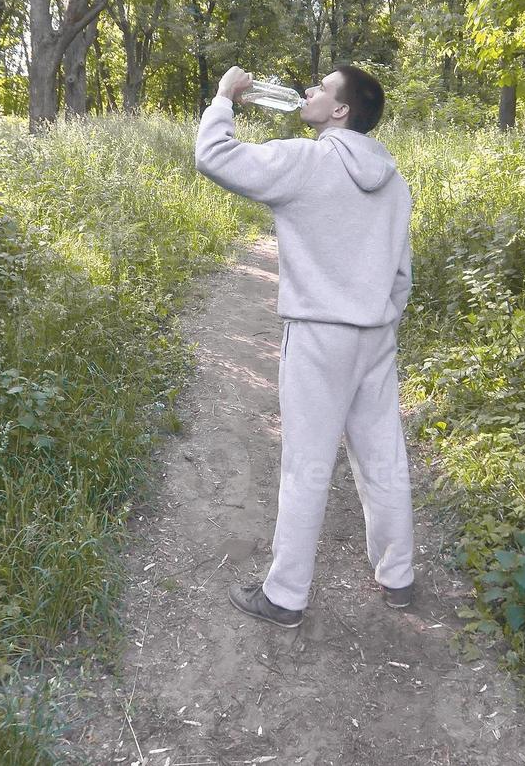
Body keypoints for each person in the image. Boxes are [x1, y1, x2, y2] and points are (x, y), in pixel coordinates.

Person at [194, 63, 415, 629]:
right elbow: (400, 273)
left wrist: (224, 97)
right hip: (375, 333)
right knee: (382, 456)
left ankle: (286, 596)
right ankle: (399, 578)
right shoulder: (394, 178)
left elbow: (215, 157)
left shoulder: (305, 158)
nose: (309, 92)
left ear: (340, 111)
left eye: (322, 88)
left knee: (306, 464)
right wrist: (382, 319)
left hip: (319, 333)